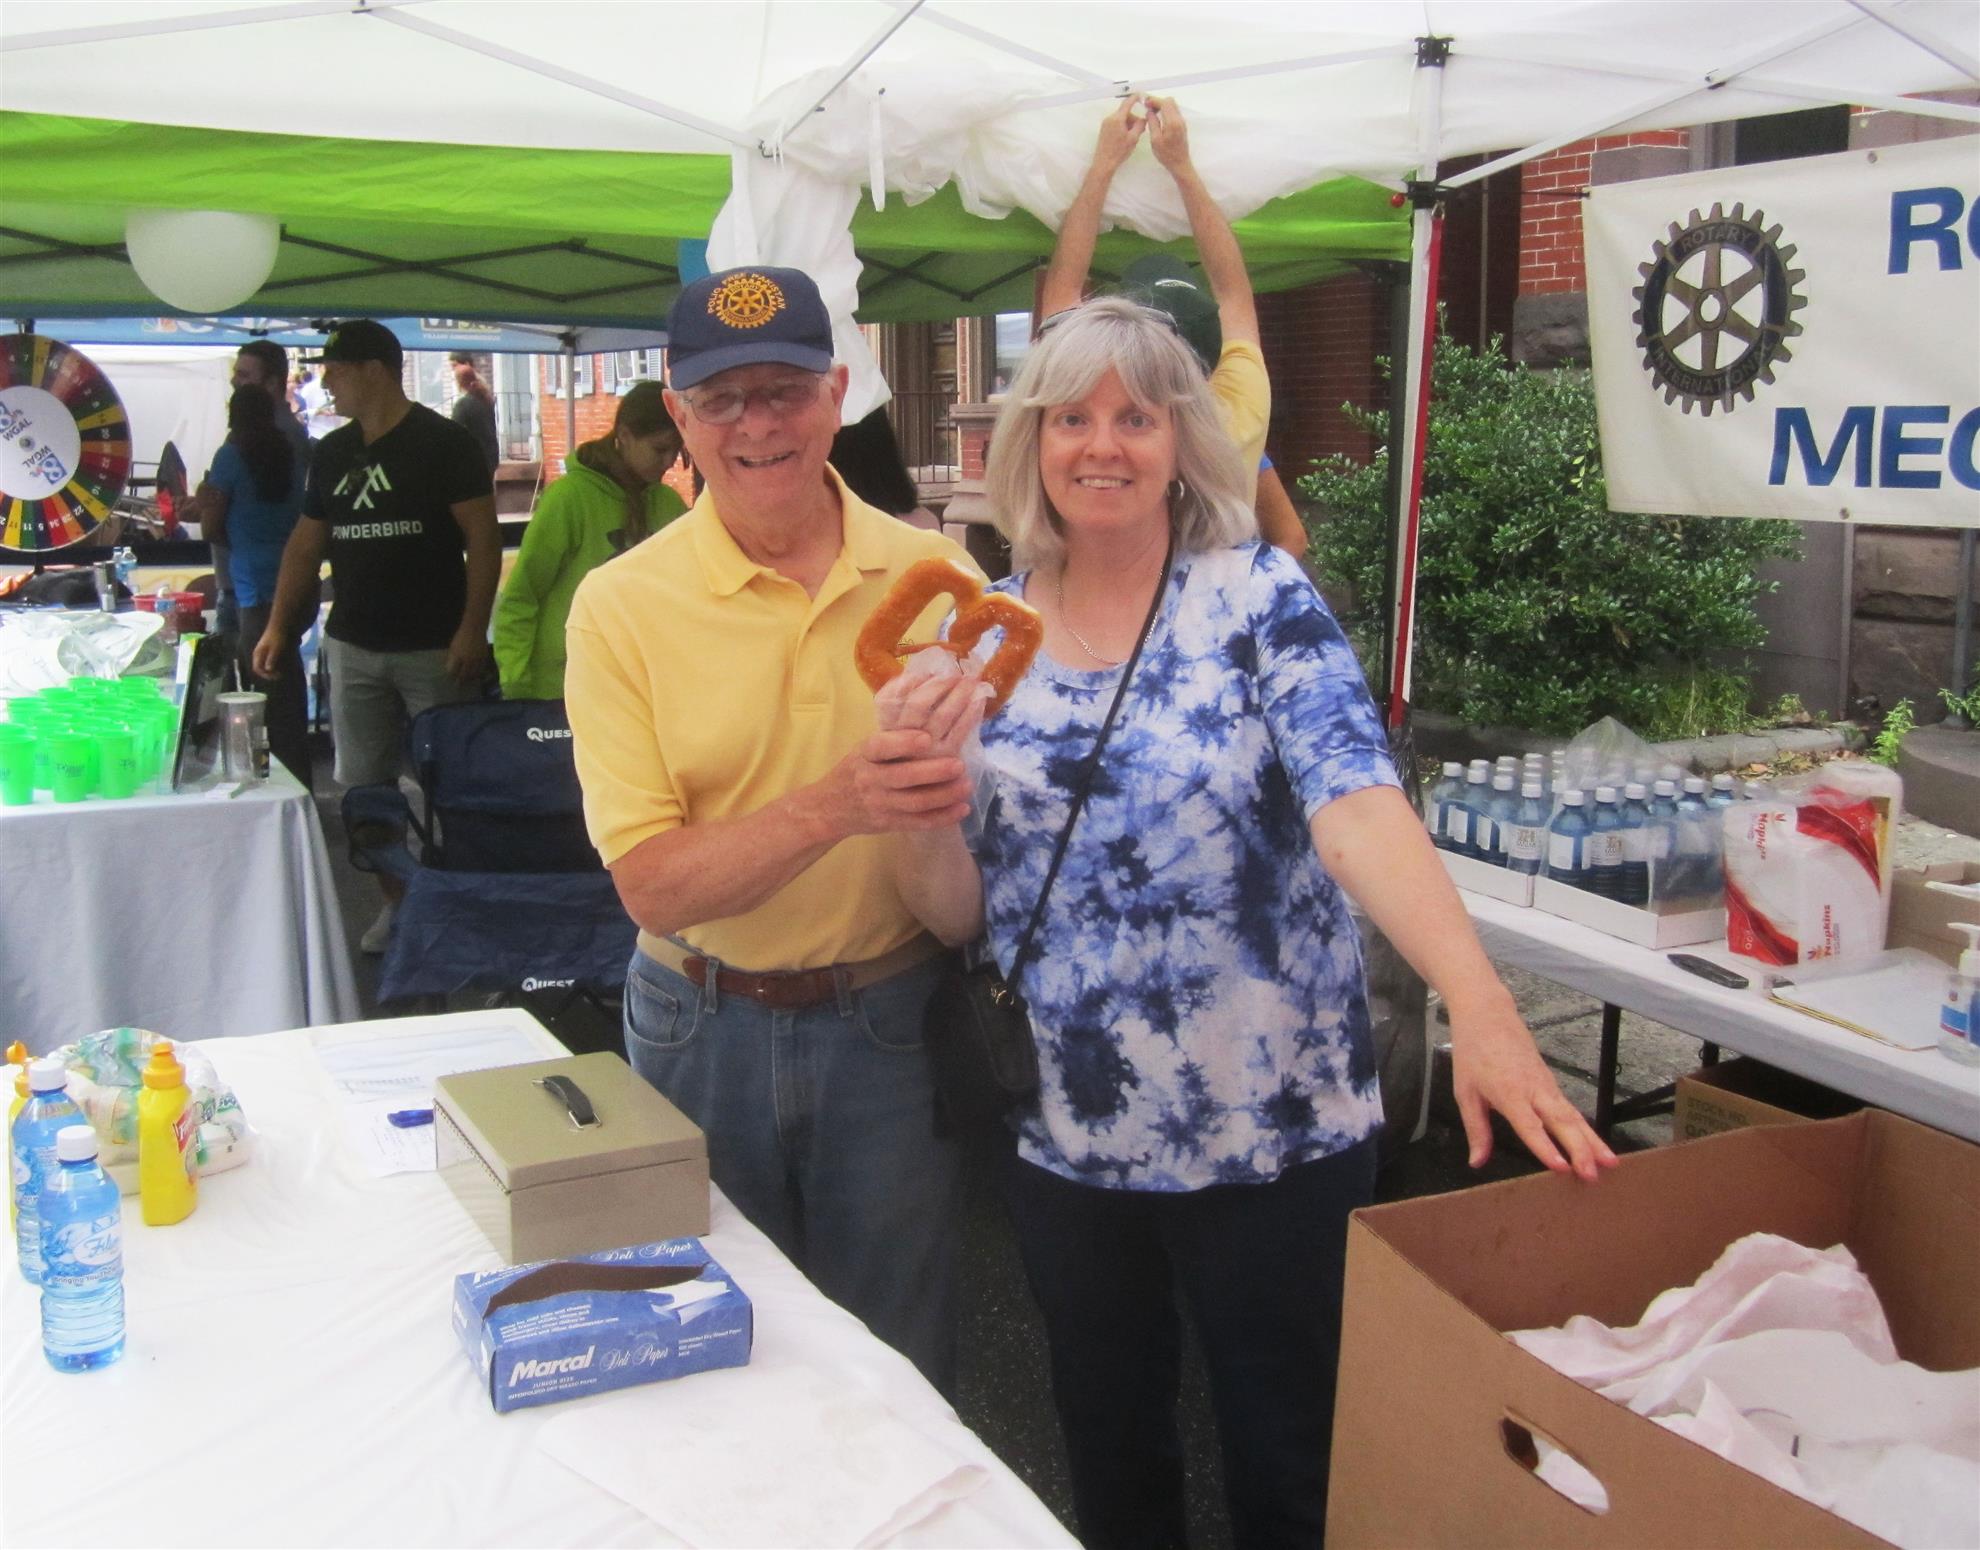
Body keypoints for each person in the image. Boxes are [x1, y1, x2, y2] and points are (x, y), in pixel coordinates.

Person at [886, 296, 1615, 1549]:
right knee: (1113, 1454)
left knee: (1292, 1465)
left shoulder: (1257, 596)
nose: (1101, 444)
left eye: (1136, 417)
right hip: (1072, 1135)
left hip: (1273, 1127)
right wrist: (916, 801)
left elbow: (1357, 805)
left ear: (1184, 441)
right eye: (1071, 417)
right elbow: (958, 908)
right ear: (1031, 444)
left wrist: (1480, 1001)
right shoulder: (982, 637)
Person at [561, 265, 977, 1396]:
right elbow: (652, 886)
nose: (756, 425)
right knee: (707, 1360)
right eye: (721, 399)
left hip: (892, 1021)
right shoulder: (619, 606)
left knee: (895, 1369)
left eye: (784, 390)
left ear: (837, 394)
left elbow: (979, 867)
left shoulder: (938, 580)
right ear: (678, 414)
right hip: (695, 1023)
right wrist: (843, 802)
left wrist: (933, 808)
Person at [252, 318, 499, 954]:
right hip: (354, 643)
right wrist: (279, 624)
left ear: (374, 370)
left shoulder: (443, 443)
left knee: (453, 785)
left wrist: (473, 629)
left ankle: (460, 903)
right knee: (365, 790)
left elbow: (482, 538)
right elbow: (305, 545)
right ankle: (398, 905)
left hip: (435, 645)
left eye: (335, 370)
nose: (326, 383)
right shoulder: (333, 452)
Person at [1040, 95, 1309, 560]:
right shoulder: (1240, 407)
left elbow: (1063, 285)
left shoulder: (1090, 402)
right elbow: (1233, 291)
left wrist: (1103, 166)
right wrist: (1182, 167)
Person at [492, 381, 685, 701]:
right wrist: (516, 681)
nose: (669, 462)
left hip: (641, 683)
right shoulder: (568, 498)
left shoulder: (669, 504)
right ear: (624, 436)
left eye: (677, 452)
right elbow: (522, 595)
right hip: (561, 687)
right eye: (660, 449)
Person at [199, 385, 312, 787]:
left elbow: (211, 527)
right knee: (288, 691)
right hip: (297, 582)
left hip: (254, 591)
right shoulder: (292, 453)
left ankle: (270, 782)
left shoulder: (229, 457)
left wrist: (213, 512)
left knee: (260, 697)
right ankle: (298, 778)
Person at [192, 340, 309, 635]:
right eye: (235, 373)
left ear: (271, 383)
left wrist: (219, 517)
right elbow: (249, 503)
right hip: (257, 577)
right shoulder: (286, 436)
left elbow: (216, 525)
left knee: (256, 658)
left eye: (244, 375)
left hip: (250, 583)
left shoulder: (267, 441)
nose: (234, 381)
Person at [448, 351, 500, 475]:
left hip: (472, 461)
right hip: (490, 457)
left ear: (459, 383)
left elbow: (452, 434)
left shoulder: (463, 405)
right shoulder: (486, 400)